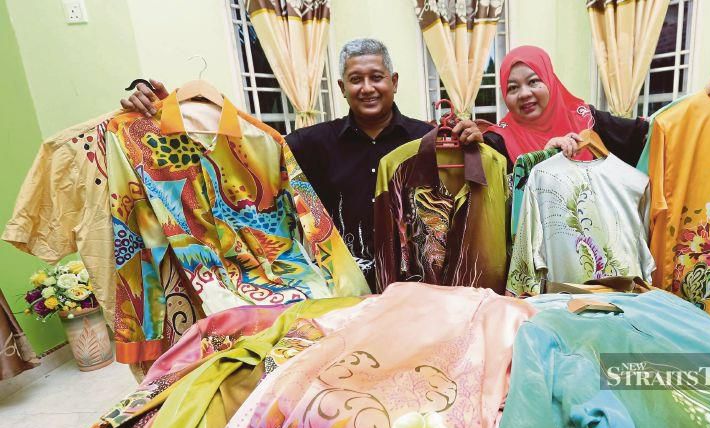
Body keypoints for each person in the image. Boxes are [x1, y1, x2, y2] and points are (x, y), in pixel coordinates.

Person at [121, 38, 484, 289]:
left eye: (376, 77)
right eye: (356, 80)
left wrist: (474, 142)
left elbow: (467, 197)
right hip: (341, 285)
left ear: (394, 82)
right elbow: (238, 148)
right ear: (342, 87)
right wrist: (172, 112)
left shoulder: (426, 141)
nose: (367, 88)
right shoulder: (310, 144)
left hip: (415, 285)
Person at [483, 45, 710, 167]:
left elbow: (650, 133)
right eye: (512, 88)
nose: (524, 94)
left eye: (533, 81)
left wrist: (703, 100)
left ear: (551, 82)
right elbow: (498, 203)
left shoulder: (587, 120)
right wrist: (542, 158)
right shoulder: (498, 140)